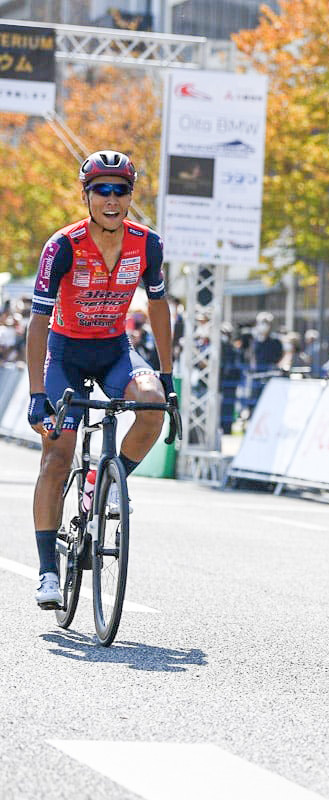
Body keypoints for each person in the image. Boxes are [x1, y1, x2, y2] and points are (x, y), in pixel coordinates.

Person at [26, 150, 173, 610]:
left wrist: (166, 374)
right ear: (86, 194)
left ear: (131, 195)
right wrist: (36, 394)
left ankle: (103, 484)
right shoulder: (62, 245)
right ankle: (48, 569)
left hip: (114, 350)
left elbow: (158, 306)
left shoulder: (147, 244)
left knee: (152, 406)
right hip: (65, 354)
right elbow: (37, 322)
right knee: (56, 456)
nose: (111, 199)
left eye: (120, 190)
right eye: (101, 190)